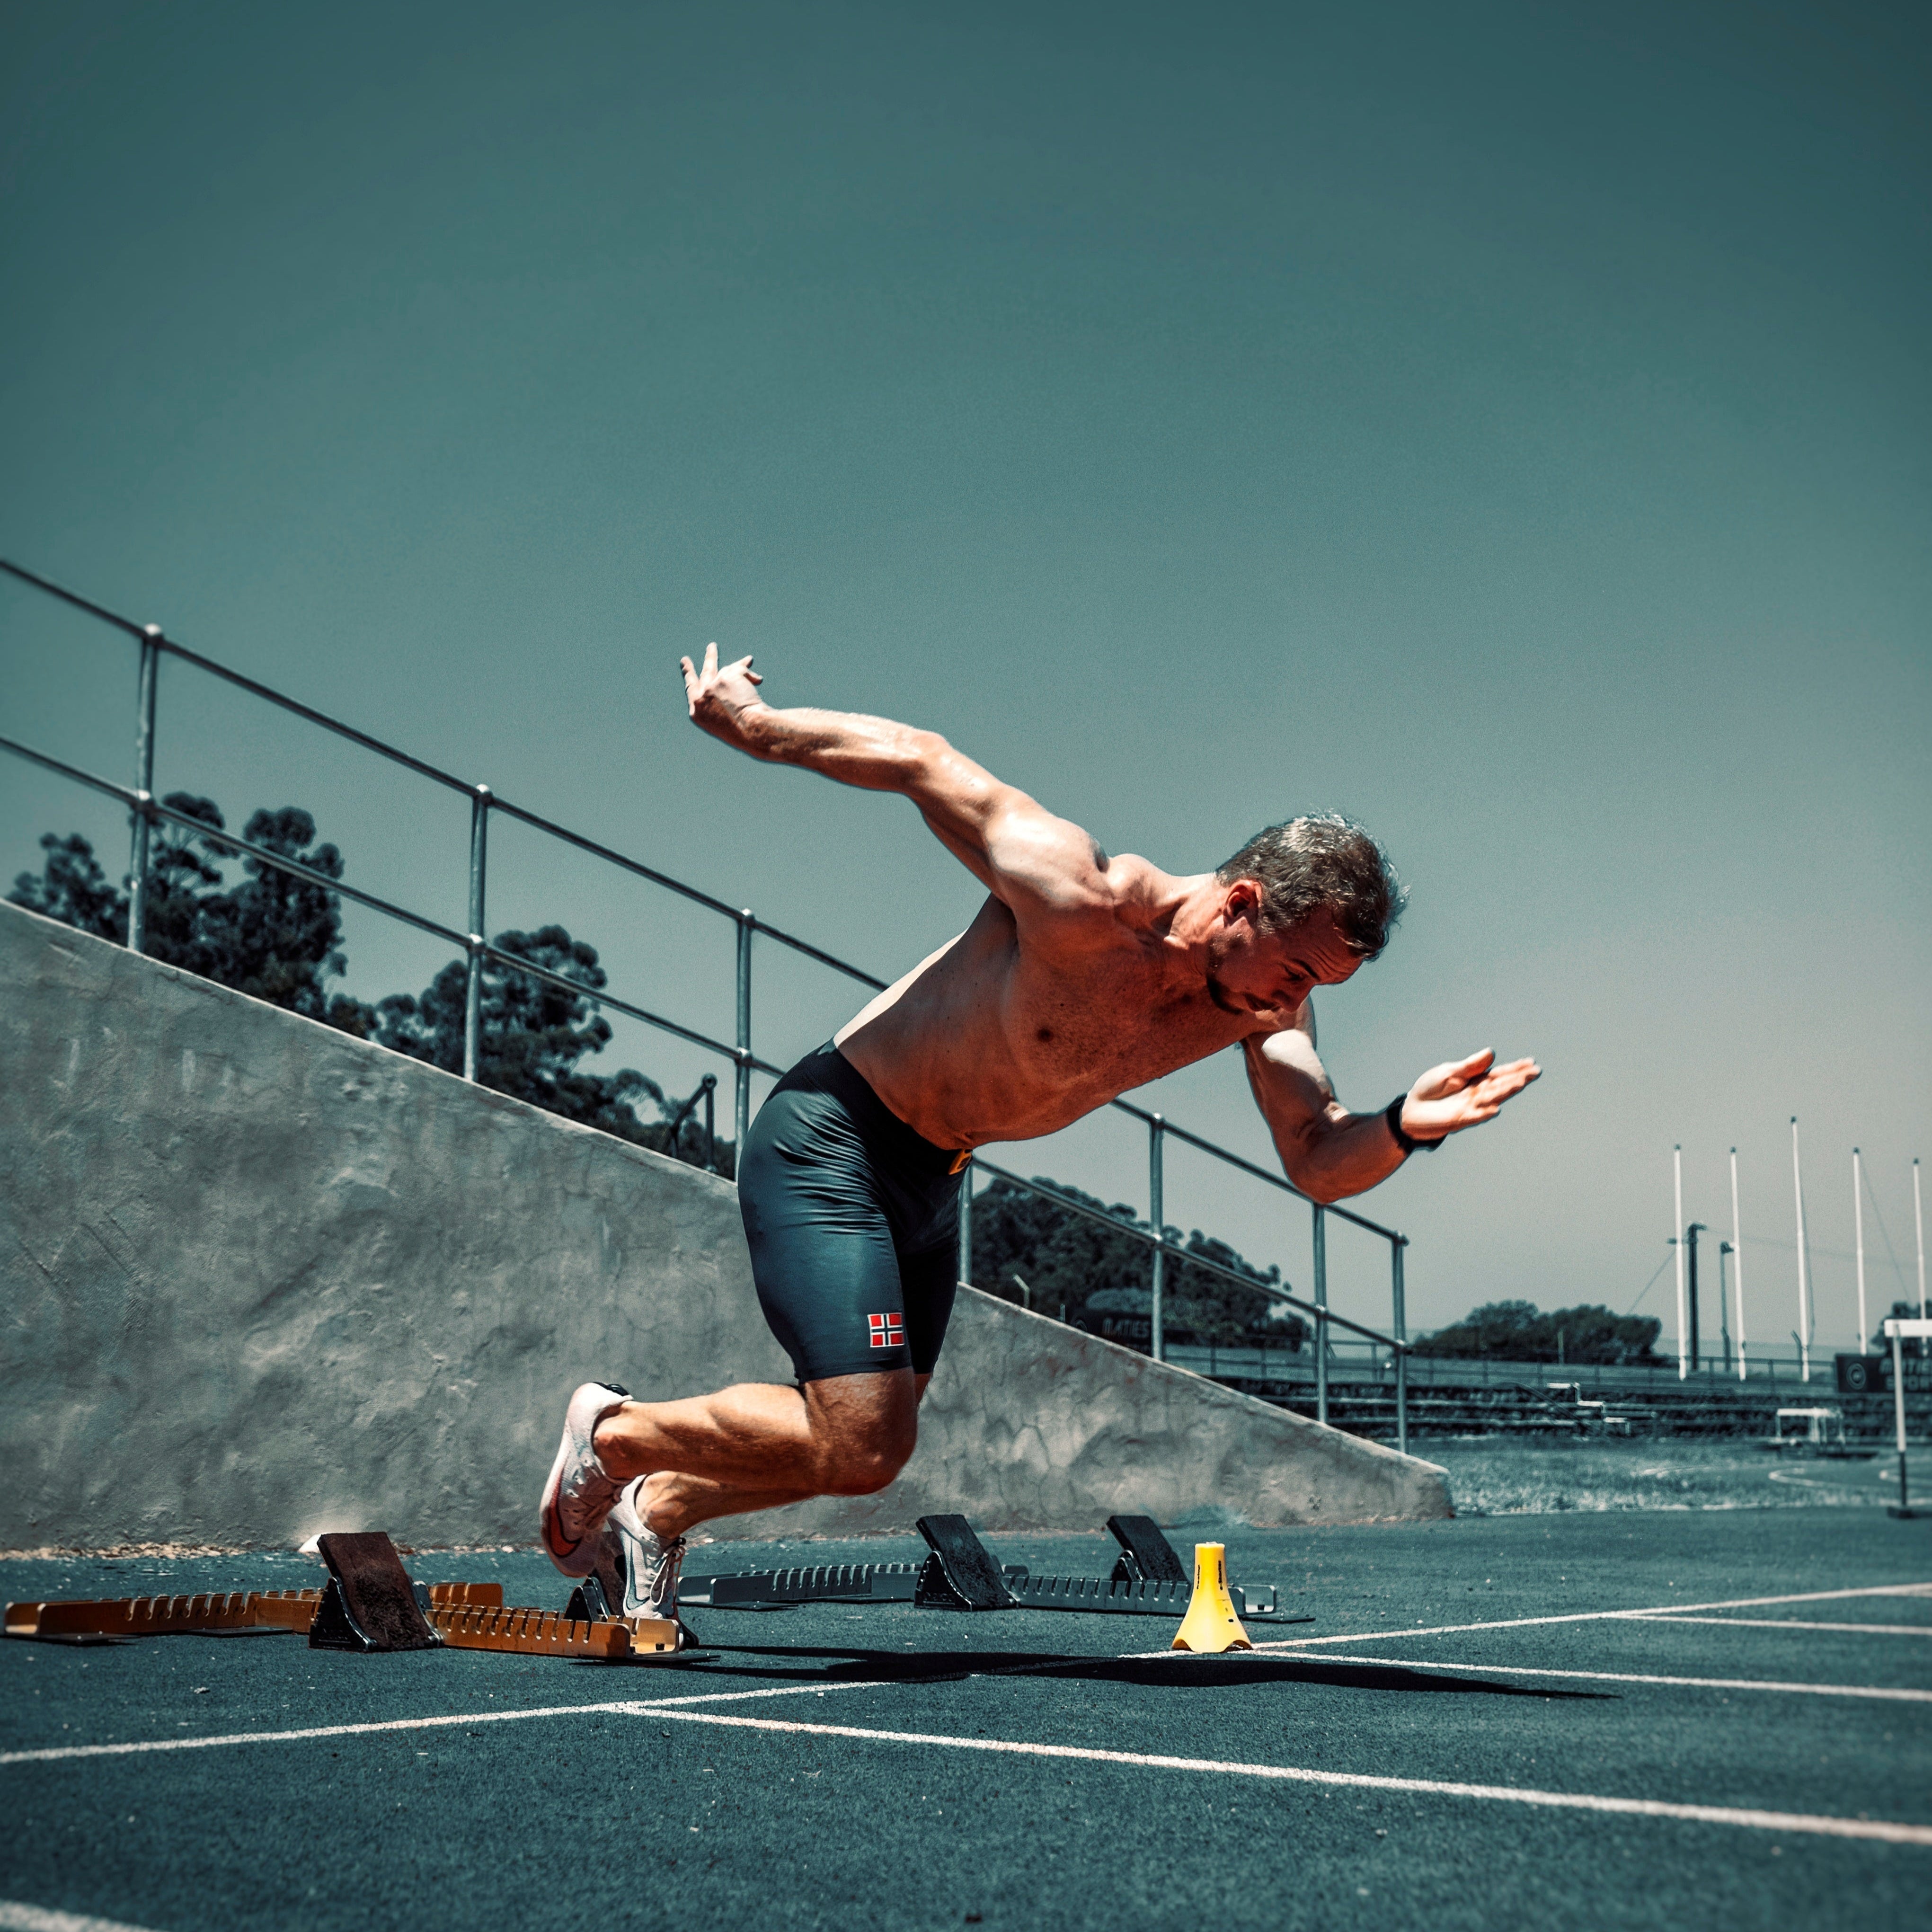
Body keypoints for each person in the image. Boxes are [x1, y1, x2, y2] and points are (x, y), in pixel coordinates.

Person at [542, 646, 1540, 1619]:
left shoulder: (1260, 1007)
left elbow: (1317, 1156)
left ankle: (659, 1508)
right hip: (834, 1136)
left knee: (856, 1453)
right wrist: (755, 728)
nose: (1294, 1001)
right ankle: (615, 1433)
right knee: (865, 1440)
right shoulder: (1083, 898)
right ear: (1241, 902)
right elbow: (923, 761)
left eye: (1318, 989)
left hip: (934, 1179)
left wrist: (1406, 1126)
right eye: (1295, 970)